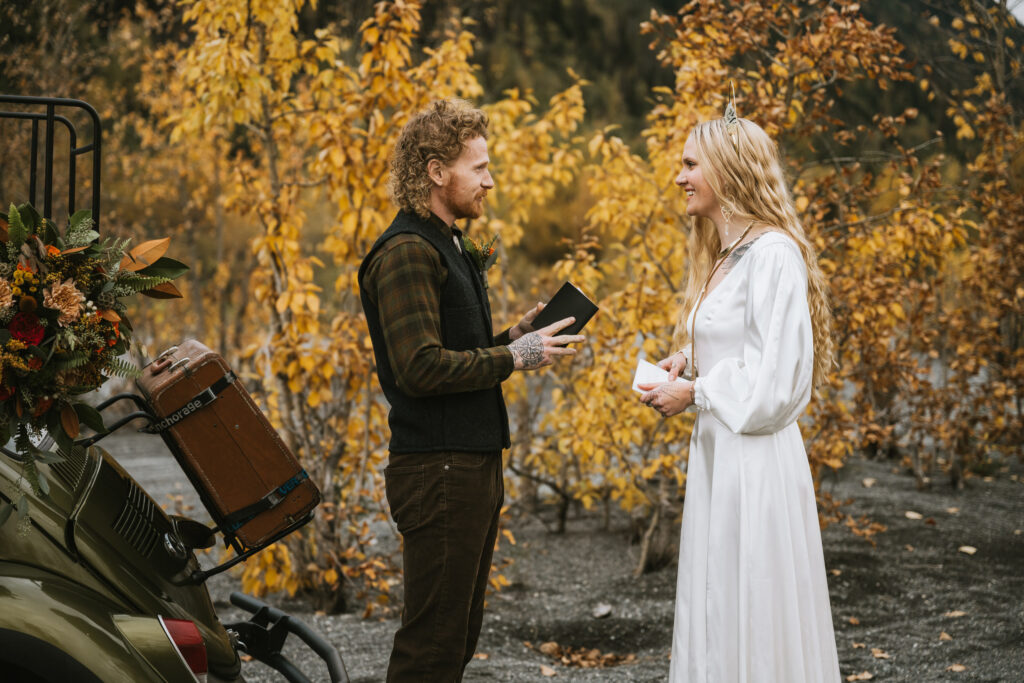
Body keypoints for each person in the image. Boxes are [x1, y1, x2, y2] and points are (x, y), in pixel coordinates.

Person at [358, 99, 583, 683]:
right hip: (438, 470)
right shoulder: (407, 251)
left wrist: (514, 334)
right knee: (430, 646)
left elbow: (449, 346)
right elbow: (419, 368)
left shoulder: (446, 242)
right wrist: (513, 357)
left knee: (455, 637)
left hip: (467, 464)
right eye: (478, 168)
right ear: (436, 172)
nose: (491, 180)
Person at [637, 110, 841, 682]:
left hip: (754, 461)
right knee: (716, 592)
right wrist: (687, 360)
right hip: (718, 453)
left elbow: (777, 380)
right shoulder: (724, 254)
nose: (679, 177)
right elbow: (738, 348)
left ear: (726, 172)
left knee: (749, 591)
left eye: (690, 164)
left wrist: (696, 391)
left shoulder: (774, 253)